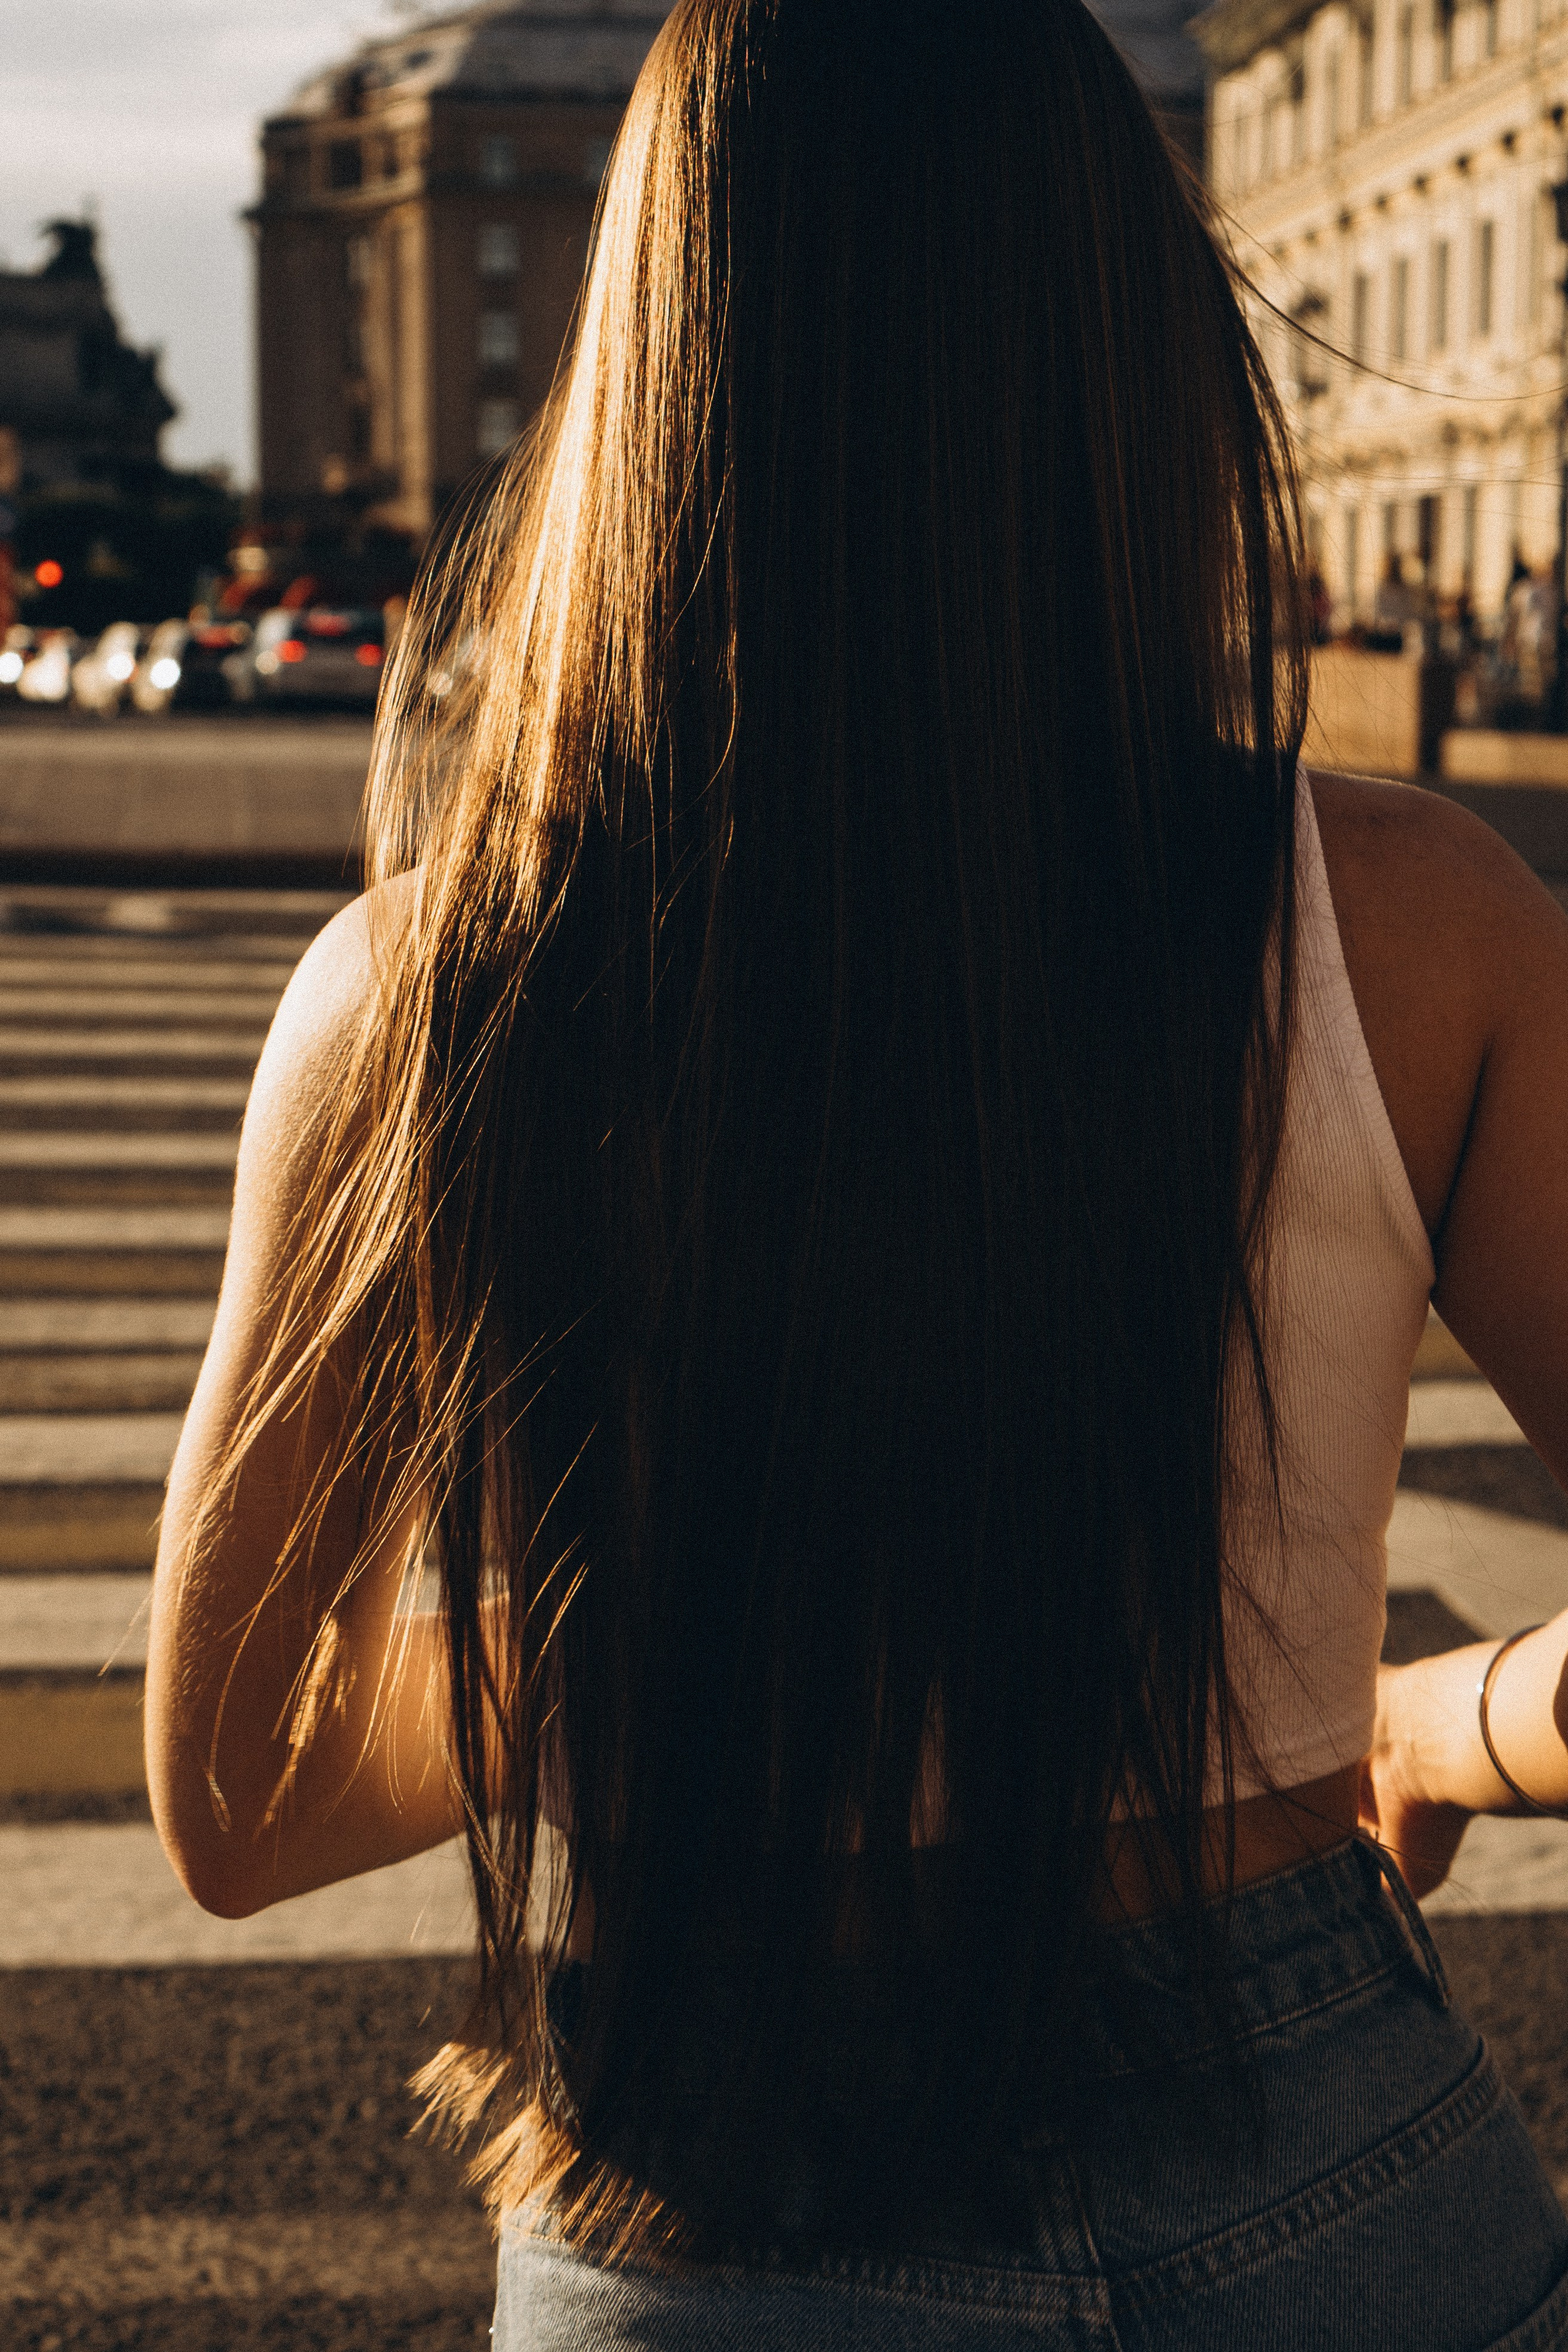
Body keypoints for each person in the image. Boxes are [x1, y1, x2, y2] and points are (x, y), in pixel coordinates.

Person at [146, 1, 1568, 2342]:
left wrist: (690, 1620)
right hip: (1338, 2178)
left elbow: (239, 1789)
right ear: (1129, 341)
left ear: (646, 362)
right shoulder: (1410, 919)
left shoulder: (423, 989)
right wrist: (1441, 1716)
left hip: (714, 2208)